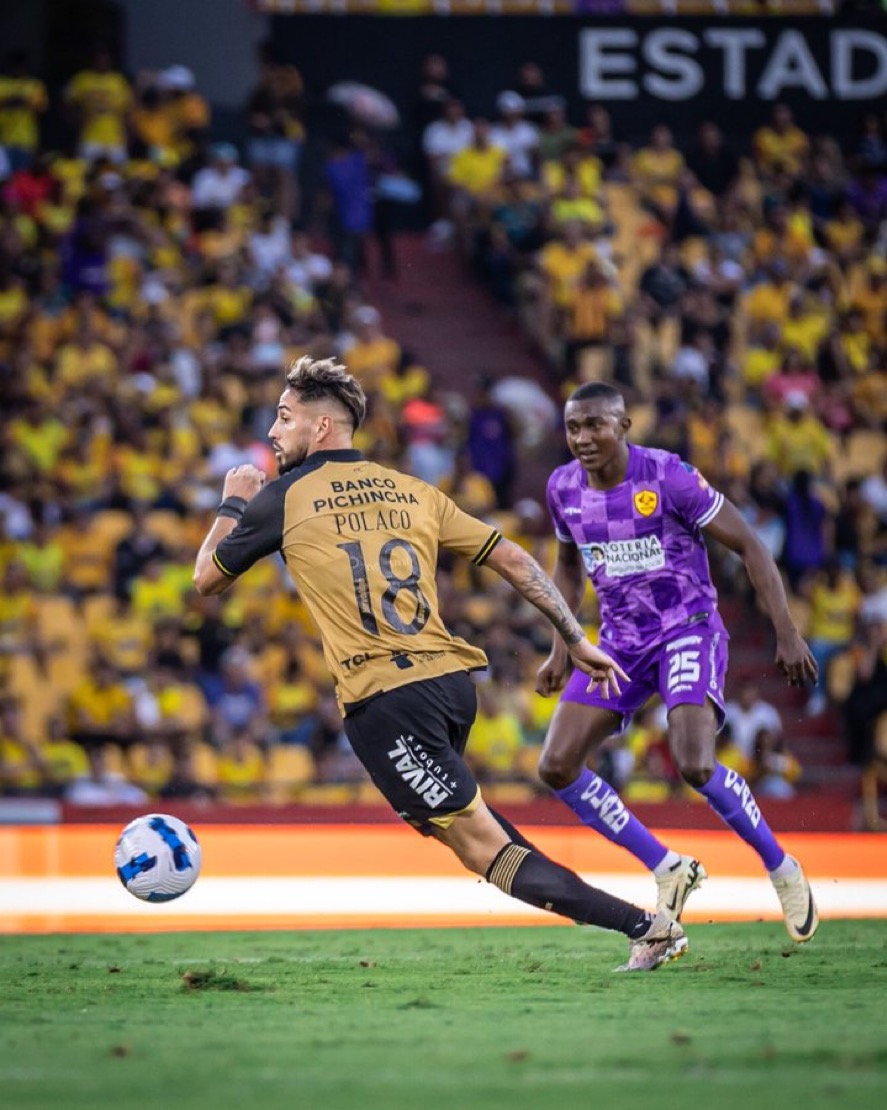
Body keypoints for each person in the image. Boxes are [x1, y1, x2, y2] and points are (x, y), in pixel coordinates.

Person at [193, 356, 687, 972]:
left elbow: (206, 578)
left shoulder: (283, 497)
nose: (273, 431)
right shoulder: (412, 490)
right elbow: (513, 559)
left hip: (387, 702)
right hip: (451, 687)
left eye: (284, 416)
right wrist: (573, 636)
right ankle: (642, 924)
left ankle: (648, 928)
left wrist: (233, 503)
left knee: (485, 851)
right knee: (480, 836)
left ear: (321, 427)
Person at [535, 381, 820, 944]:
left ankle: (782, 868)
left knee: (694, 763)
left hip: (686, 629)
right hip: (619, 644)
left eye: (595, 425)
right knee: (556, 766)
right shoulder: (562, 488)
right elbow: (567, 567)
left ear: (624, 426)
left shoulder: (668, 476)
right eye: (573, 427)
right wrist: (561, 647)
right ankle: (668, 867)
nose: (582, 437)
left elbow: (751, 545)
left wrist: (787, 631)